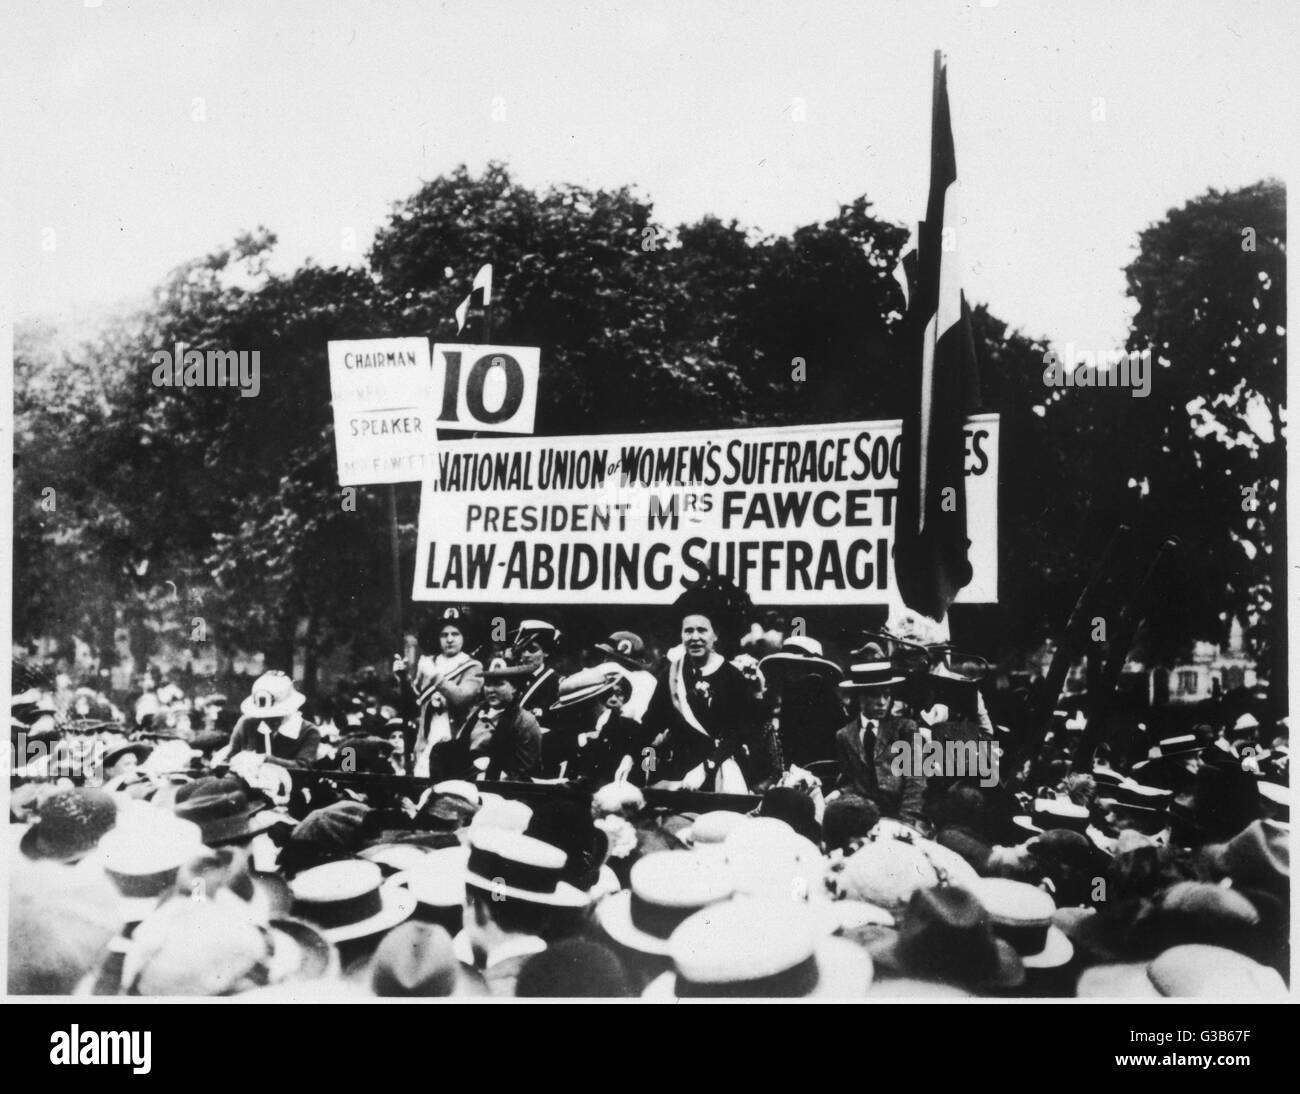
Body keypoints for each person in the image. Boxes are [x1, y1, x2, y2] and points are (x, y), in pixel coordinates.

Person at [644, 576, 775, 791]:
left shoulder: (733, 677)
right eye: (688, 631)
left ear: (715, 636)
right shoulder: (671, 673)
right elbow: (650, 727)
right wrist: (642, 766)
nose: (695, 637)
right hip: (679, 772)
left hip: (723, 768)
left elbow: (741, 731)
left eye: (702, 630)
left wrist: (708, 767)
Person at [833, 649, 928, 830]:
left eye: (886, 694)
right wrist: (839, 793)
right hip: (866, 817)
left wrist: (906, 822)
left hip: (903, 814)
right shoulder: (844, 735)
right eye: (874, 695)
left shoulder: (905, 729)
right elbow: (852, 781)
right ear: (860, 697)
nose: (882, 702)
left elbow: (915, 780)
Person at [395, 608, 484, 777]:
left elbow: (461, 697)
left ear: (464, 636)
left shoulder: (473, 666)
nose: (450, 639)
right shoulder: (428, 662)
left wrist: (435, 676)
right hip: (428, 740)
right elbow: (414, 705)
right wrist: (403, 677)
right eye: (444, 635)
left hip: (457, 743)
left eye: (455, 634)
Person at [429, 656, 541, 782]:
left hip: (502, 789)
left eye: (499, 684)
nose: (491, 690)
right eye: (488, 684)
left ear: (514, 687)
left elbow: (523, 769)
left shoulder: (524, 721)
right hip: (466, 782)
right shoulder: (476, 714)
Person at [224, 671, 322, 766]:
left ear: (288, 708)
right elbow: (229, 757)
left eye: (275, 714)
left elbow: (302, 766)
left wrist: (265, 760)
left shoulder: (308, 731)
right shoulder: (247, 724)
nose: (266, 718)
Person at [511, 620, 562, 721]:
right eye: (523, 649)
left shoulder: (556, 683)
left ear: (546, 653)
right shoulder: (514, 680)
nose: (526, 655)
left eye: (532, 650)